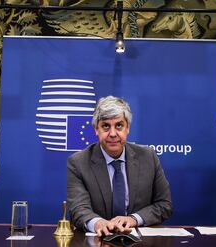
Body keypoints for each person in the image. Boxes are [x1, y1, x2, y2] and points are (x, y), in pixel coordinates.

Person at [67, 95, 173, 236]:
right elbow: (78, 209)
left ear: (127, 128)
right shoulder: (78, 162)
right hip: (97, 244)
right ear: (96, 129)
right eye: (105, 126)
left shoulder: (148, 157)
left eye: (119, 125)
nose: (112, 133)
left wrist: (133, 219)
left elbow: (164, 205)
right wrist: (97, 222)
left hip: (141, 246)